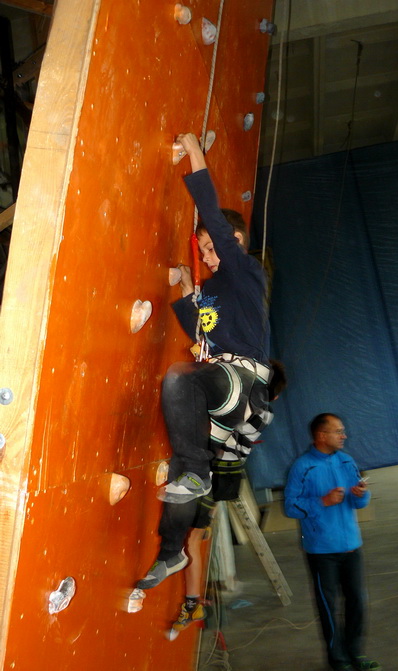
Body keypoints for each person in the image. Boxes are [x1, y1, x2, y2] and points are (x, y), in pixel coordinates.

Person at [136, 132, 271, 590]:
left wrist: (195, 152)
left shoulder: (246, 271)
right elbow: (199, 329)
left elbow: (211, 213)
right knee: (182, 469)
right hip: (222, 386)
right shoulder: (213, 290)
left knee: (179, 381)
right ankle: (171, 552)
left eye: (214, 248)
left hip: (243, 380)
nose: (210, 258)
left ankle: (195, 472)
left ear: (233, 241)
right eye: (205, 252)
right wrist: (181, 286)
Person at [167, 360, 287, 639]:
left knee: (192, 540)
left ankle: (192, 604)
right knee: (194, 536)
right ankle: (193, 601)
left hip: (219, 473)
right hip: (225, 474)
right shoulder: (263, 411)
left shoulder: (252, 409)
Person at [284, 413, 381, 671]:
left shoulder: (347, 461)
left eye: (343, 430)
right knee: (328, 607)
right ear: (321, 436)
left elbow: (359, 501)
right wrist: (321, 502)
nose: (344, 435)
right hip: (321, 550)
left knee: (357, 602)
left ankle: (355, 654)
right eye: (338, 431)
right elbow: (290, 506)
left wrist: (362, 494)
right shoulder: (302, 467)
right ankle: (338, 661)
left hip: (351, 545)